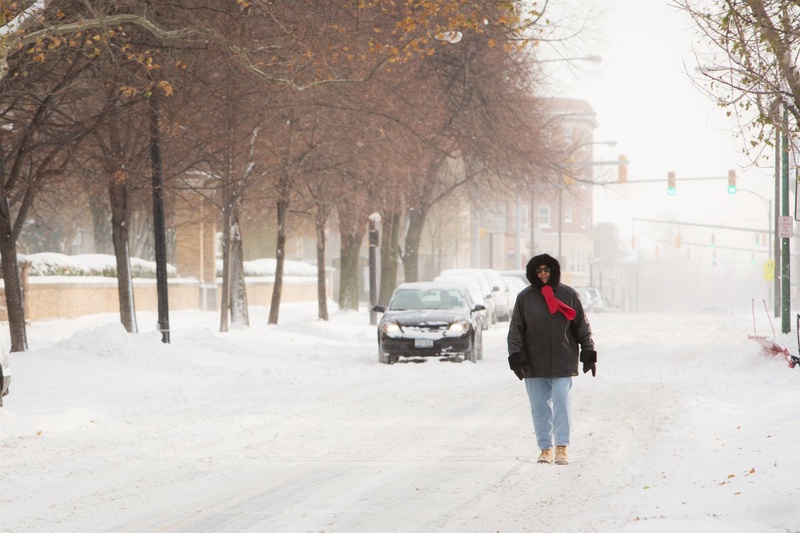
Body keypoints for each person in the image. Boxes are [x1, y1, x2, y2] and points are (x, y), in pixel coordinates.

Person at [507, 253, 596, 465]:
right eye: (539, 271)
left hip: (563, 359)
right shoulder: (525, 298)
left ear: (554, 271)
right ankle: (545, 448)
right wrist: (517, 357)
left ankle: (562, 446)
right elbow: (515, 330)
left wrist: (588, 352)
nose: (543, 274)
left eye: (547, 270)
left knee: (561, 401)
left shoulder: (568, 294)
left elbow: (581, 326)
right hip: (534, 361)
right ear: (533, 273)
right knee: (539, 407)